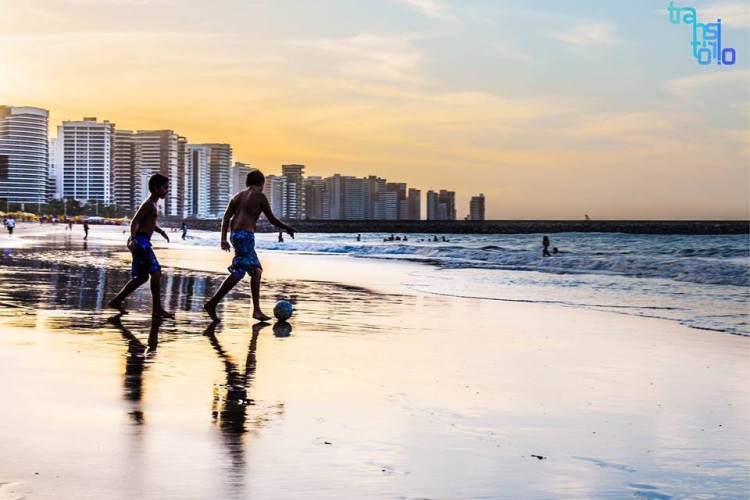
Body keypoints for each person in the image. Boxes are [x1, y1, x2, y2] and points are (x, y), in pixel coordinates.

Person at [204, 170, 296, 322]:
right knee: (238, 273)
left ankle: (256, 310)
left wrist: (223, 239)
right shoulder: (260, 196)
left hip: (236, 236)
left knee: (257, 271)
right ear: (261, 183)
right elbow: (272, 219)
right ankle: (213, 303)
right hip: (246, 236)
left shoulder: (237, 196)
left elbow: (226, 217)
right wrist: (287, 228)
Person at [108, 173, 173, 318]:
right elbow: (135, 220)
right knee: (156, 272)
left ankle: (117, 301)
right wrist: (133, 238)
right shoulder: (148, 203)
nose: (166, 191)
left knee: (142, 277)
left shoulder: (154, 204)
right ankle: (157, 309)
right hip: (141, 242)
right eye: (165, 188)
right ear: (156, 188)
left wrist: (161, 231)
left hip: (143, 240)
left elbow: (149, 222)